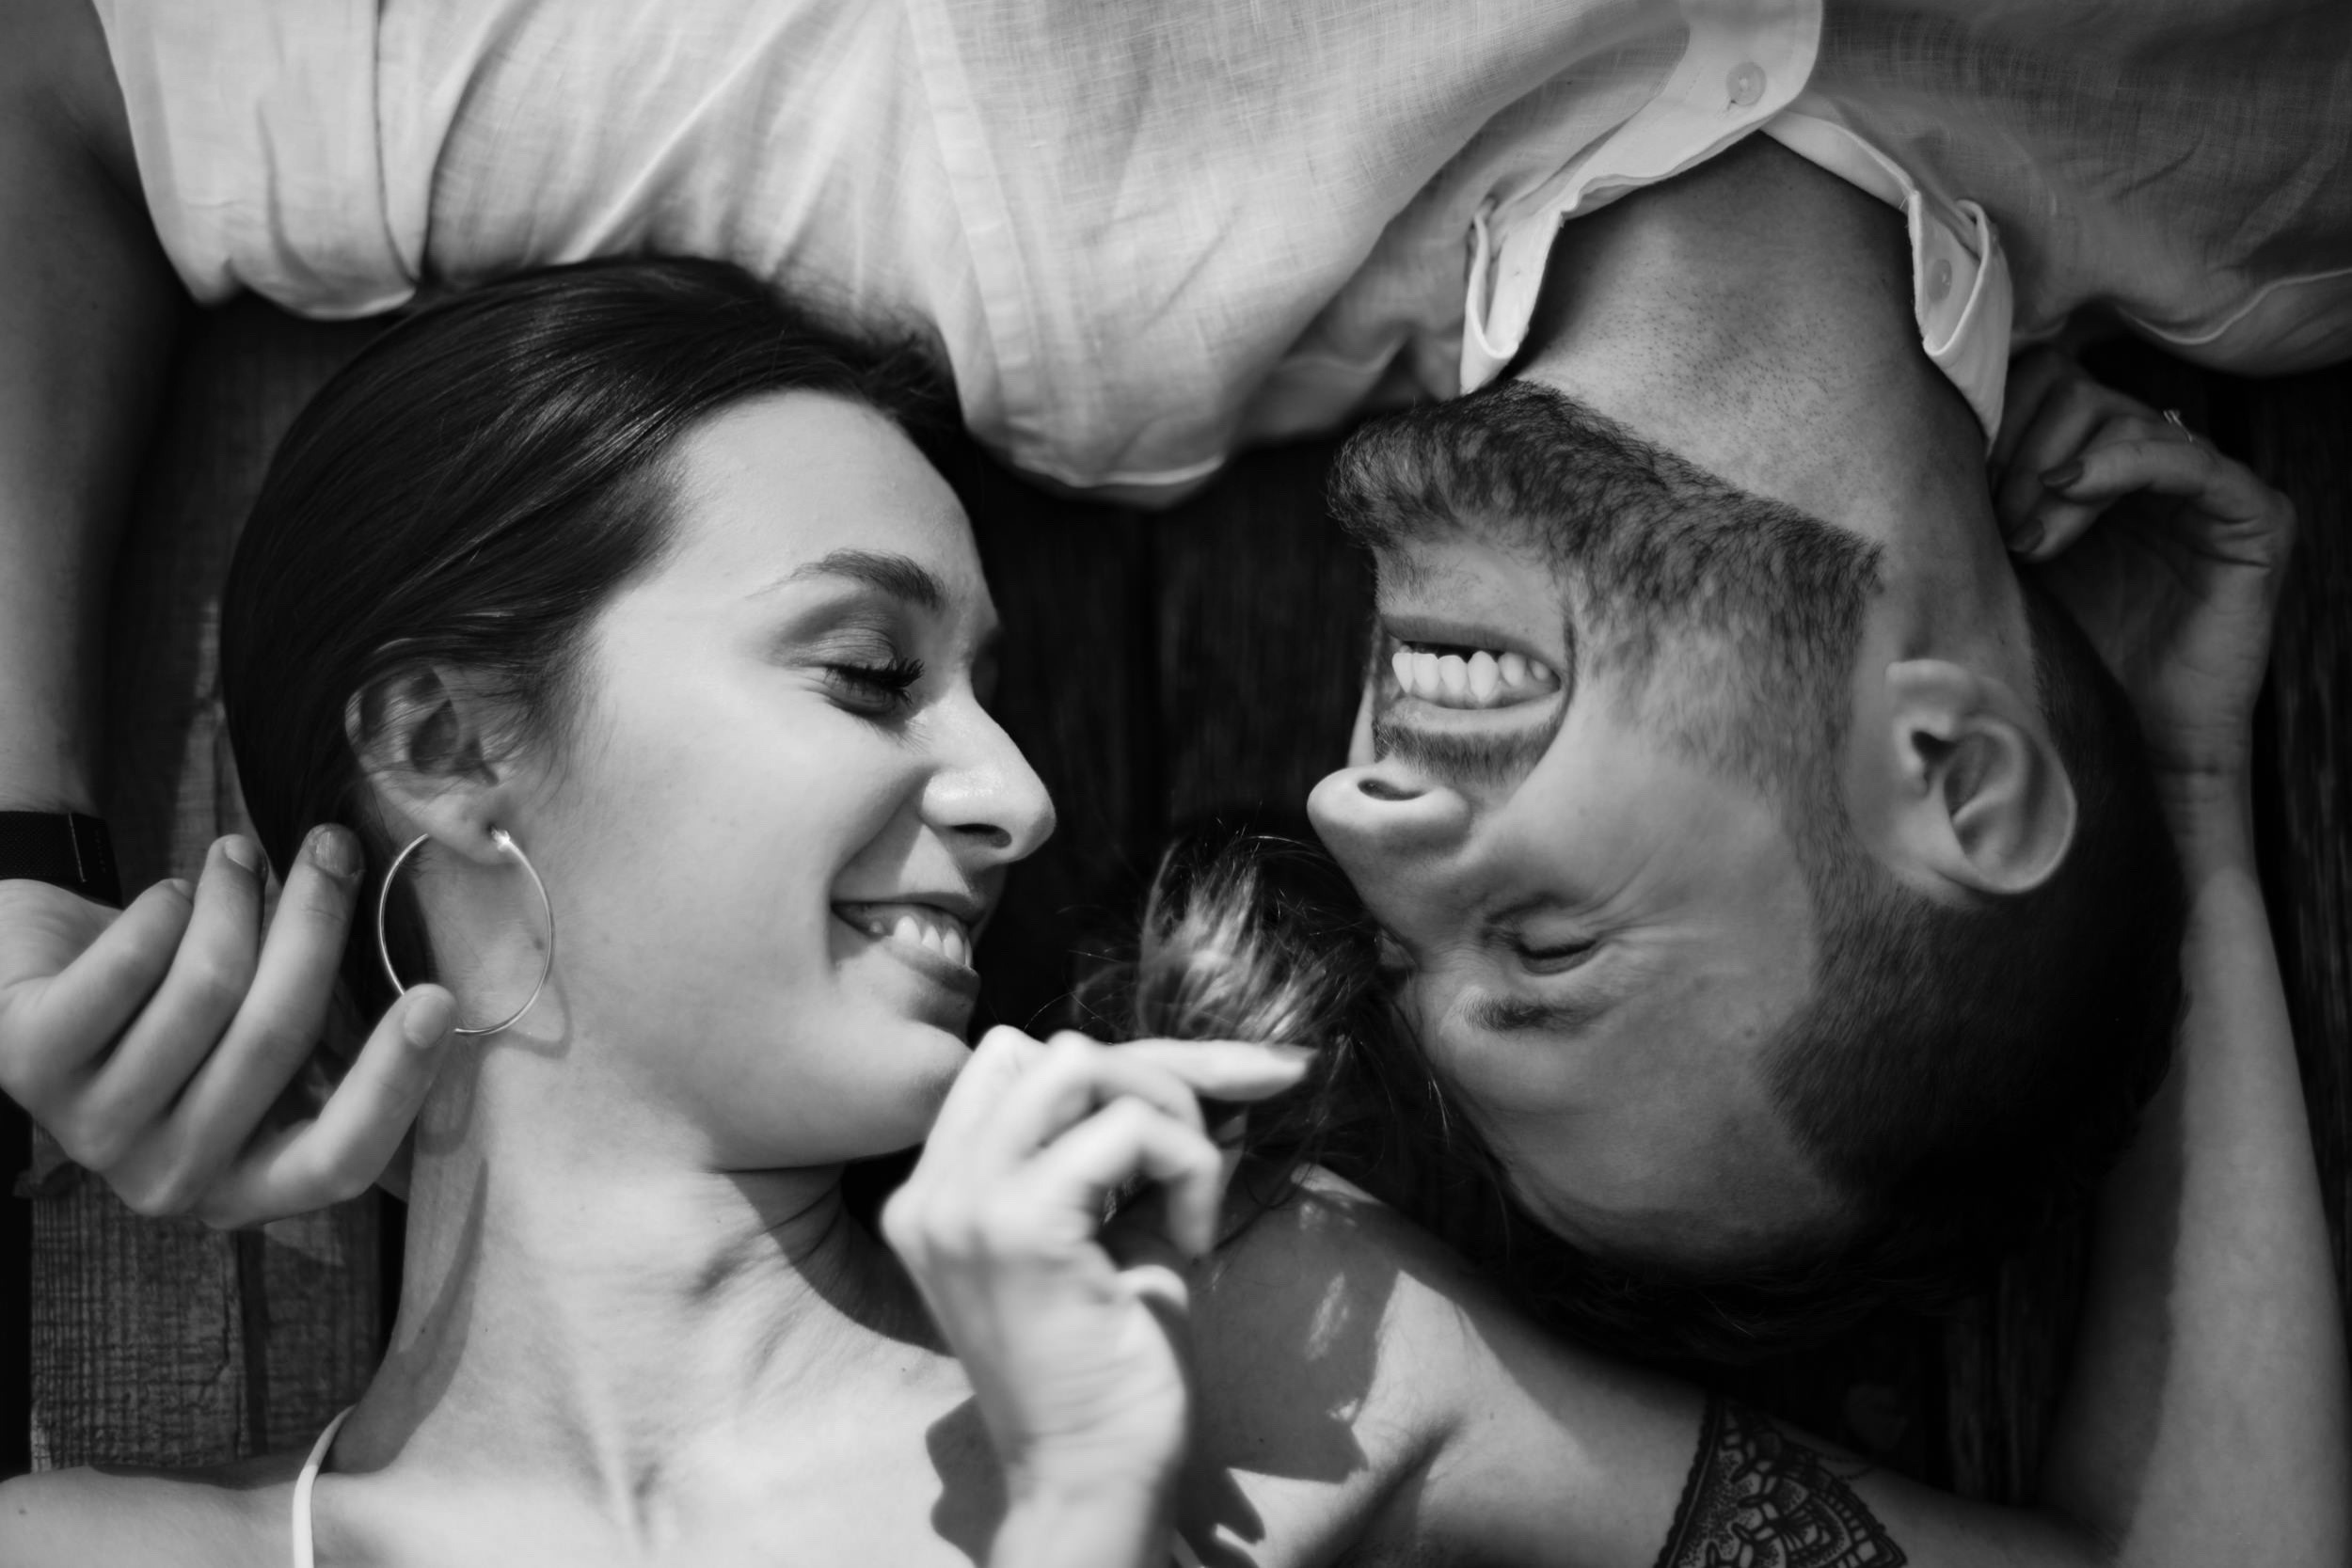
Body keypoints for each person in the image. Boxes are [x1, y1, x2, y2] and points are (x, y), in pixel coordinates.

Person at [0, 254, 2342, 1568]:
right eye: (866, 671)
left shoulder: (1266, 1343)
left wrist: (2186, 815)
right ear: (444, 742)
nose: (1017, 795)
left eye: (991, 694)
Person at [1, 0, 2347, 1307]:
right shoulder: (2277, 160)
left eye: (1409, 948)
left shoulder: (1034, 234)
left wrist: (14, 862)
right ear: (1952, 774)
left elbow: (80, 65)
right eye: (1540, 942)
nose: (1347, 811)